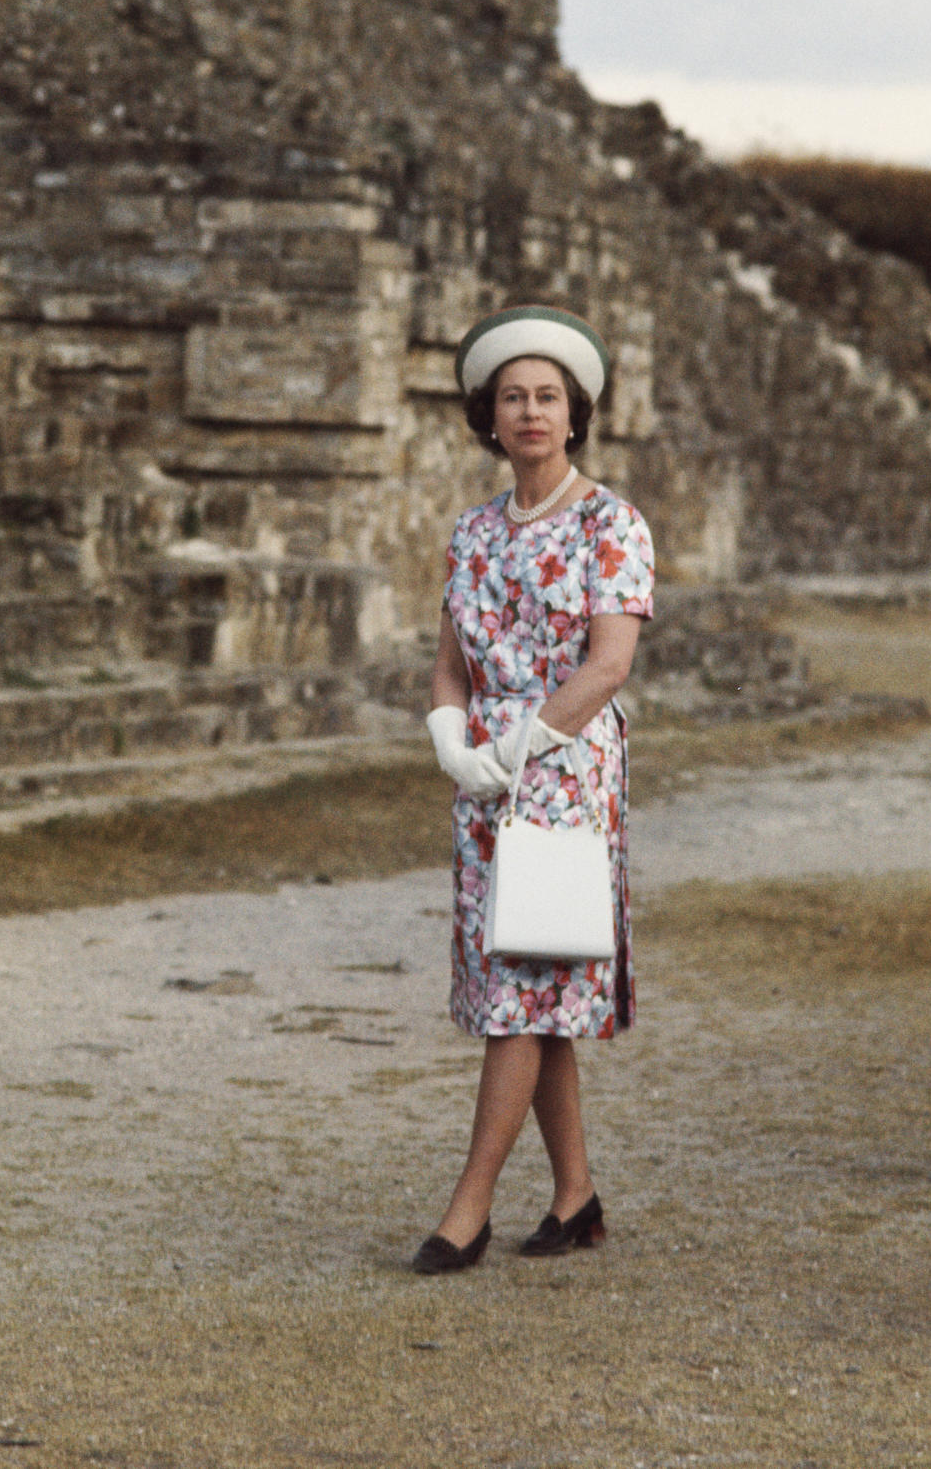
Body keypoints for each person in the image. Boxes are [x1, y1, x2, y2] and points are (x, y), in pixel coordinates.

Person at [413, 303, 655, 1274]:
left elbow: (608, 666)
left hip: (564, 771)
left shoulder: (611, 522)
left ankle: (466, 1208)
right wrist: (450, 741)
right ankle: (576, 1195)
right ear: (490, 415)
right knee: (533, 974)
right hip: (485, 781)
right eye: (512, 397)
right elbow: (449, 666)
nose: (530, 413)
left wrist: (519, 746)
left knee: (520, 982)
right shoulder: (473, 532)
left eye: (548, 396)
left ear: (575, 411)